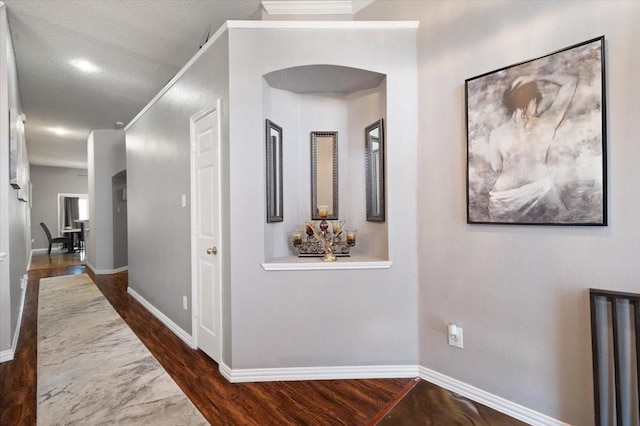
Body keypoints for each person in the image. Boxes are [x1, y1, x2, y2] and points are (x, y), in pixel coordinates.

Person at [487, 72, 578, 222]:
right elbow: (570, 81)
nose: (536, 106)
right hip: (537, 192)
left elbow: (496, 167)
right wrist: (536, 77)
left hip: (506, 198)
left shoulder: (496, 134)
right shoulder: (546, 123)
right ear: (531, 100)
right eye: (535, 101)